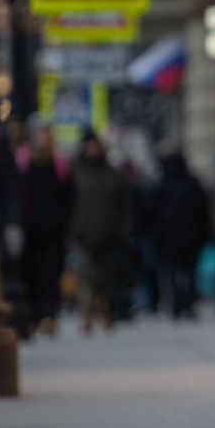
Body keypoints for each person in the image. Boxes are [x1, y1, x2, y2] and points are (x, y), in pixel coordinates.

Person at [68, 133, 135, 333]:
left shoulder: (113, 175)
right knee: (86, 276)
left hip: (109, 234)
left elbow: (126, 206)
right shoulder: (74, 173)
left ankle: (105, 309)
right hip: (82, 233)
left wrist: (125, 231)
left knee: (106, 278)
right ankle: (86, 313)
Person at [18, 123, 73, 336]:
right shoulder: (23, 160)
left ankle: (48, 315)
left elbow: (68, 196)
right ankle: (33, 315)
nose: (43, 140)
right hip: (29, 229)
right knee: (30, 273)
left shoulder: (59, 164)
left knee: (50, 274)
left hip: (54, 230)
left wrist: (63, 221)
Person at [150, 151, 211, 321]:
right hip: (190, 237)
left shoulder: (162, 184)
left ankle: (177, 304)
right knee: (189, 273)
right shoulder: (191, 183)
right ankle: (187, 303)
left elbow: (152, 213)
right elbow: (202, 211)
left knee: (172, 272)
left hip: (169, 238)